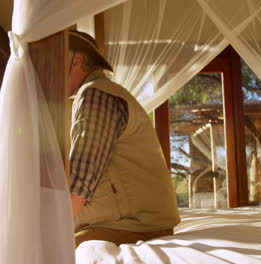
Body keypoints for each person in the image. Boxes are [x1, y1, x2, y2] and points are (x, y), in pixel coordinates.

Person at [68, 30, 180, 247]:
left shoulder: (96, 95)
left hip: (136, 226)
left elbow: (78, 188)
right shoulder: (97, 92)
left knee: (45, 251)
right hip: (136, 221)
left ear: (77, 61)